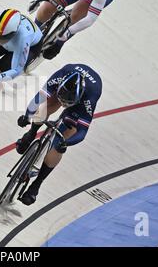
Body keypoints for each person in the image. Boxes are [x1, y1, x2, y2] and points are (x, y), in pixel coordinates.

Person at [15, 64, 102, 205]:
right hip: (64, 89)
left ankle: (36, 185)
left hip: (79, 105)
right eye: (63, 101)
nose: (63, 104)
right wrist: (27, 116)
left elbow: (82, 132)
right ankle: (31, 134)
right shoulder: (61, 76)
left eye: (67, 103)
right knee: (45, 107)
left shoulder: (89, 98)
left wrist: (65, 143)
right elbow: (38, 99)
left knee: (62, 140)